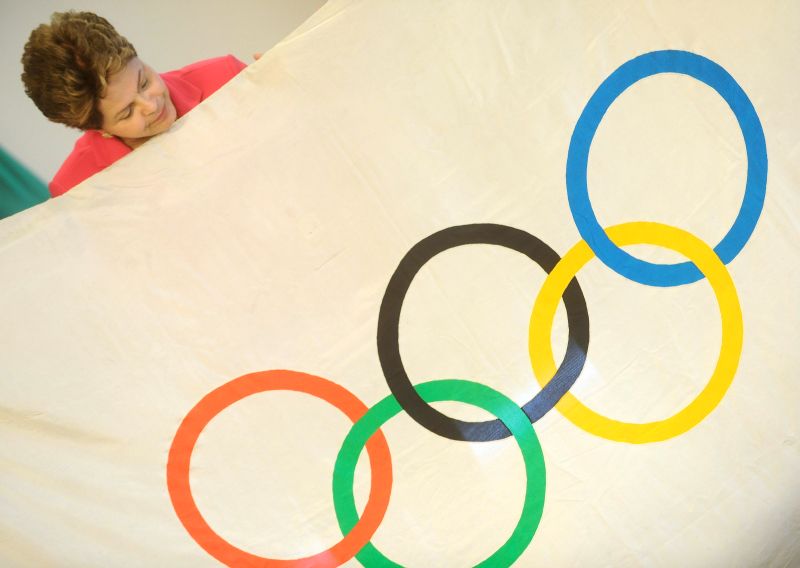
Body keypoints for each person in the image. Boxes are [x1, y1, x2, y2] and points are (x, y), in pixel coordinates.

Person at [21, 11, 247, 197]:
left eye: (144, 82)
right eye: (127, 112)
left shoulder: (228, 78)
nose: (151, 106)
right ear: (99, 129)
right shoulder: (77, 190)